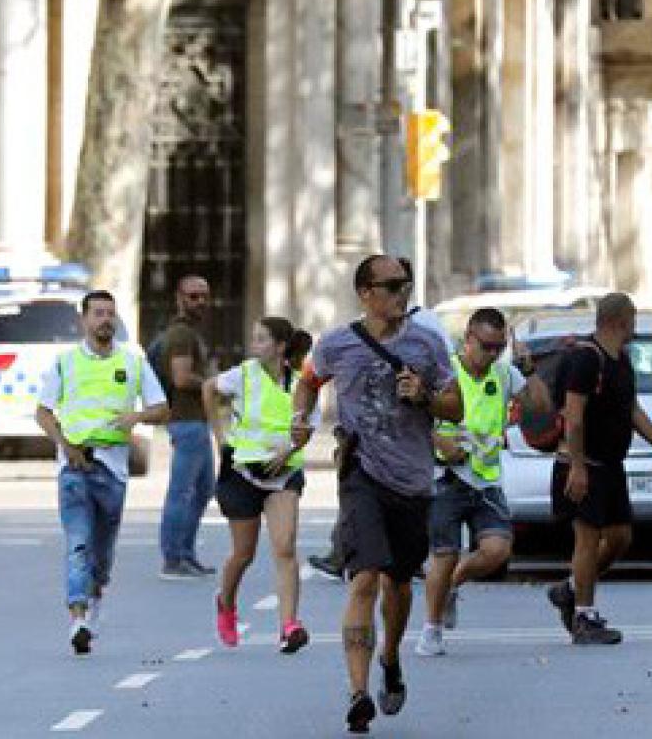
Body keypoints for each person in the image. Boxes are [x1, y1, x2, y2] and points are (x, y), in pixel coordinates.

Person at [292, 255, 461, 734]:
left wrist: (425, 394)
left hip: (412, 479)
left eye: (405, 285)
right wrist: (299, 419)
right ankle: (358, 693)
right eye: (391, 286)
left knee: (399, 584)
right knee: (364, 578)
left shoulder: (427, 342)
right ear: (365, 292)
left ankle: (390, 657)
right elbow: (307, 383)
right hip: (360, 472)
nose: (401, 294)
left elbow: (456, 406)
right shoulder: (337, 343)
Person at [546, 293, 652, 645]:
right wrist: (577, 467)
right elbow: (574, 417)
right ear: (619, 320)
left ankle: (568, 589)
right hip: (582, 465)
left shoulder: (621, 360)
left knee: (621, 537)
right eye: (633, 318)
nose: (635, 324)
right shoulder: (586, 359)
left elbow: (632, 410)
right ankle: (584, 617)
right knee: (588, 539)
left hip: (610, 466)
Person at [36, 290, 171, 655]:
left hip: (112, 468)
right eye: (98, 313)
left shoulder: (134, 363)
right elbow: (44, 412)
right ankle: (77, 619)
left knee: (102, 554)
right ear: (84, 320)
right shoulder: (65, 363)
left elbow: (161, 408)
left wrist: (137, 417)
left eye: (110, 313)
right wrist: (65, 446)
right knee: (78, 543)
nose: (105, 320)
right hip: (75, 465)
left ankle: (94, 599)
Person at [417, 308, 551, 657]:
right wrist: (437, 440)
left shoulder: (505, 373)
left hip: (486, 479)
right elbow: (412, 415)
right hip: (446, 476)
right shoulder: (443, 371)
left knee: (497, 551)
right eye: (487, 347)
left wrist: (528, 367)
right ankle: (431, 630)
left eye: (499, 347)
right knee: (443, 557)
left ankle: (451, 586)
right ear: (468, 340)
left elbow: (541, 407)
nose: (492, 354)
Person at [203, 317, 315, 654]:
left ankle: (289, 626)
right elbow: (208, 388)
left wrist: (289, 449)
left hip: (283, 474)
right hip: (243, 474)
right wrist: (220, 436)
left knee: (285, 547)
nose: (255, 344)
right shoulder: (244, 374)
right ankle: (226, 603)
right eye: (255, 338)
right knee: (243, 554)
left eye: (262, 339)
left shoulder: (302, 383)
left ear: (281, 347)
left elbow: (307, 428)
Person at [149, 274, 218, 579]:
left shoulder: (190, 333)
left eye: (204, 296)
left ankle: (185, 554)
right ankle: (174, 557)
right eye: (192, 296)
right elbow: (180, 378)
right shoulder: (180, 335)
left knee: (202, 489)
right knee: (182, 491)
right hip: (187, 421)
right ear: (179, 298)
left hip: (195, 421)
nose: (199, 301)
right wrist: (214, 385)